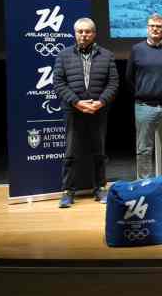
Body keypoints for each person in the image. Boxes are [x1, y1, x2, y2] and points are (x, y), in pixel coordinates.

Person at [53, 18, 119, 208]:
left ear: (94, 34)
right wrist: (77, 102)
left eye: (88, 31)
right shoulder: (63, 55)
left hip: (98, 111)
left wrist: (100, 102)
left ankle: (99, 188)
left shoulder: (107, 55)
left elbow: (113, 83)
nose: (84, 35)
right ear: (75, 34)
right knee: (71, 152)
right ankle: (67, 192)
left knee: (98, 151)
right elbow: (58, 83)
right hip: (73, 110)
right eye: (80, 31)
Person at [126, 13, 162, 180]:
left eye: (158, 26)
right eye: (152, 26)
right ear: (147, 28)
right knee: (143, 149)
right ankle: (144, 184)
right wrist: (143, 93)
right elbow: (129, 78)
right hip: (144, 106)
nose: (155, 29)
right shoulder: (137, 49)